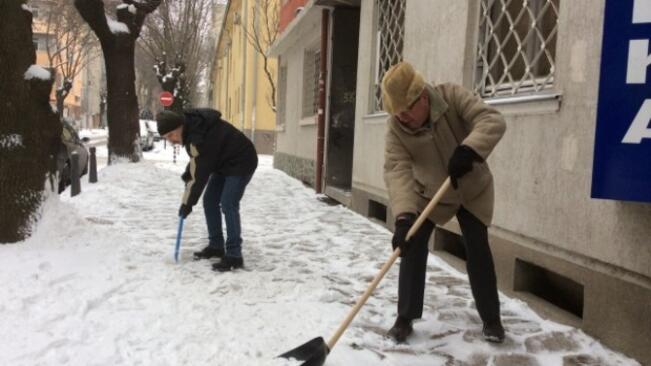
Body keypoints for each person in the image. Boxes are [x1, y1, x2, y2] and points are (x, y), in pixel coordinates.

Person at [381, 62, 507, 343]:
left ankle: (492, 320)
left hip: (473, 190)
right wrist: (403, 217)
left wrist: (469, 148)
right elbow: (397, 170)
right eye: (396, 113)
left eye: (405, 112)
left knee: (477, 248)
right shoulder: (396, 130)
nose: (401, 119)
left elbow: (492, 120)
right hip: (431, 195)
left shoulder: (451, 97)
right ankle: (405, 317)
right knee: (411, 244)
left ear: (422, 98)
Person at [156, 108, 258, 272]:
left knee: (228, 203)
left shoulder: (198, 137)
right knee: (209, 201)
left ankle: (234, 255)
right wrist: (188, 175)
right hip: (222, 163)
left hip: (242, 160)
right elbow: (199, 162)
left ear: (180, 126)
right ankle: (216, 245)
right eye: (166, 138)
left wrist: (187, 204)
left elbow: (200, 173)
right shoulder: (193, 132)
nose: (171, 140)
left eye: (171, 135)